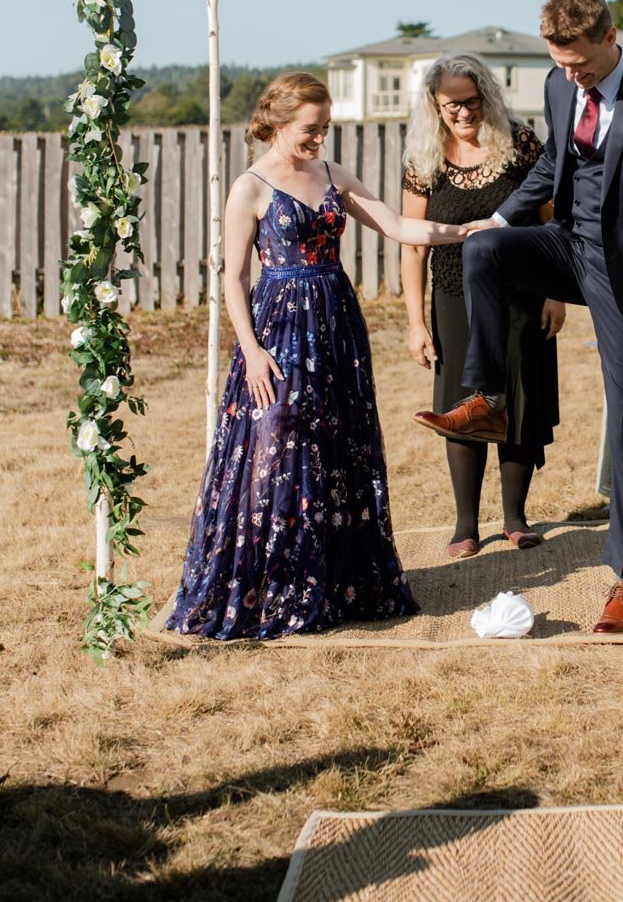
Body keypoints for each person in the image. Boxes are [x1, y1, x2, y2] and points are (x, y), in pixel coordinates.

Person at [414, 0, 623, 635]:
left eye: (578, 63)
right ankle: (489, 400)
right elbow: (554, 160)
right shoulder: (558, 86)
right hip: (568, 245)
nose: (569, 74)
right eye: (559, 62)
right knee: (486, 250)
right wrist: (498, 217)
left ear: (609, 37)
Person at [166, 71, 468, 641]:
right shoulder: (250, 186)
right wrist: (251, 352)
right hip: (277, 328)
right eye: (310, 128)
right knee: (276, 440)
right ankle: (272, 580)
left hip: (336, 324)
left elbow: (400, 225)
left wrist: (467, 231)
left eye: (325, 128)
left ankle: (335, 581)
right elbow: (231, 278)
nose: (319, 139)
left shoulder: (333, 175)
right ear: (278, 122)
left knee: (337, 443)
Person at [403, 54, 564, 559]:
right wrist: (415, 321)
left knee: (517, 401)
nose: (464, 112)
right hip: (453, 299)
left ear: (487, 97)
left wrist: (557, 292)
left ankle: (516, 518)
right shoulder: (423, 158)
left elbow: (553, 219)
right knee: (462, 407)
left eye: (472, 101)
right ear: (435, 103)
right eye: (453, 104)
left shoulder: (519, 142)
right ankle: (466, 525)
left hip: (523, 296)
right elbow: (413, 243)